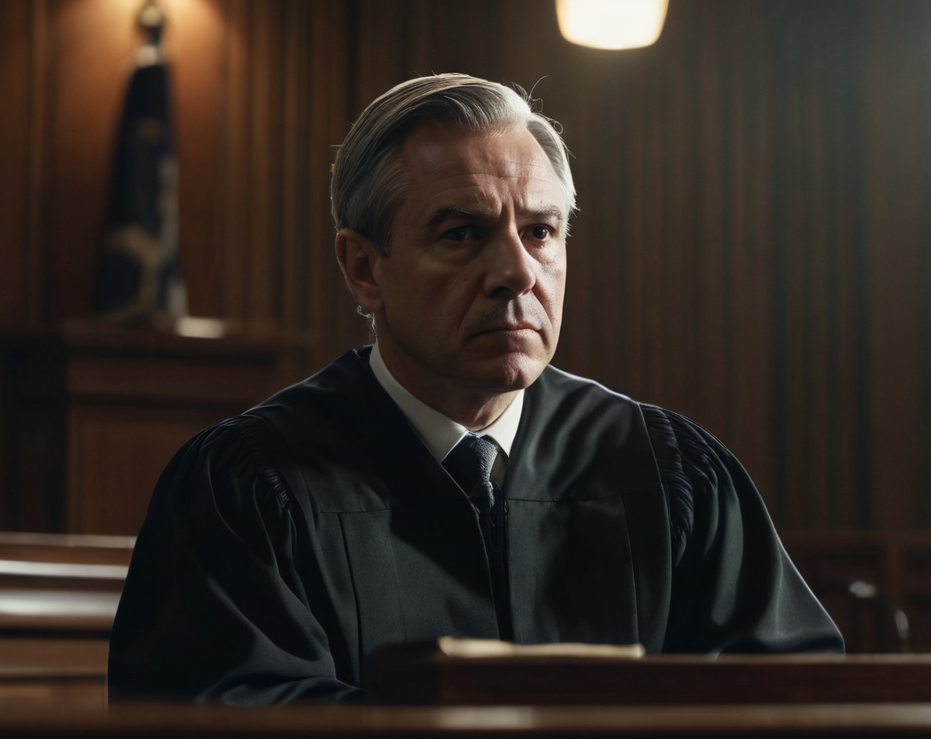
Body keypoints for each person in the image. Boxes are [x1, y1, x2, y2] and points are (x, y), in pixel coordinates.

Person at [108, 73, 843, 705]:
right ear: (364, 268)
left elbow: (794, 704)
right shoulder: (248, 487)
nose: (517, 272)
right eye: (462, 233)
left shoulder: (667, 469)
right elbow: (227, 729)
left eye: (541, 232)